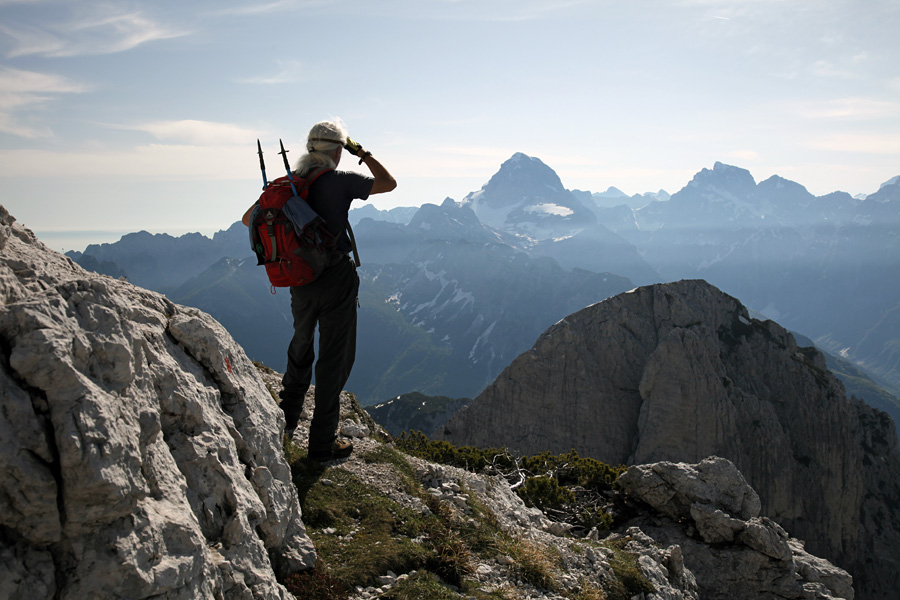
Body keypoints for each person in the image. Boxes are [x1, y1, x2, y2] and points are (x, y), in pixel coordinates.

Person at [243, 119, 396, 461]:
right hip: (335, 278)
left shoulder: (288, 183)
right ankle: (322, 443)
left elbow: (247, 219)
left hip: (299, 278)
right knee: (333, 358)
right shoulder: (338, 180)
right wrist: (362, 153)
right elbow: (389, 183)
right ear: (338, 150)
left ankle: (285, 420)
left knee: (300, 347)